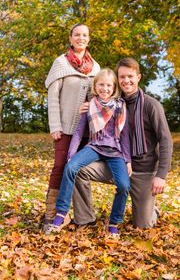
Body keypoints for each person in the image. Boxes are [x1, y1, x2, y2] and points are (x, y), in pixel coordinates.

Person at [72, 57, 173, 229]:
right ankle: (85, 218)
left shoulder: (151, 106)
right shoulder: (111, 103)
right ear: (117, 79)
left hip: (143, 171)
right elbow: (95, 127)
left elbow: (166, 140)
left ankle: (151, 210)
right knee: (78, 169)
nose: (126, 80)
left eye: (130, 76)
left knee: (143, 224)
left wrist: (161, 176)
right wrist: (88, 109)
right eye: (122, 77)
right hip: (116, 164)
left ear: (138, 77)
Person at [47, 68, 131, 236]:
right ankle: (60, 214)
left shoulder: (120, 106)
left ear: (114, 87)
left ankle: (114, 223)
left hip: (115, 151)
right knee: (70, 168)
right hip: (94, 146)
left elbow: (125, 136)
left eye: (108, 85)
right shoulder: (90, 106)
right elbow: (79, 132)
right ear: (95, 86)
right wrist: (71, 155)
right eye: (101, 85)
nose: (104, 89)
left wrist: (128, 160)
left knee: (123, 185)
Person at [42, 23, 100, 232]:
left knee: (80, 170)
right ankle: (51, 215)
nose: (81, 38)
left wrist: (92, 105)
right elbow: (53, 98)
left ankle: (83, 215)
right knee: (60, 167)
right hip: (65, 127)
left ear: (88, 39)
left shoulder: (95, 67)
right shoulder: (61, 63)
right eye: (77, 35)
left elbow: (101, 96)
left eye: (85, 35)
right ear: (70, 38)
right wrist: (55, 125)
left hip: (88, 130)